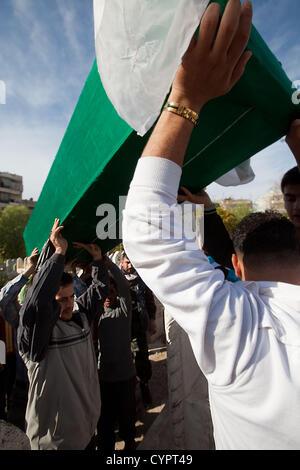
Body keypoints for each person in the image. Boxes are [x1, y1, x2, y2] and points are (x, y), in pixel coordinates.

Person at [123, 0, 300, 450]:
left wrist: (184, 98)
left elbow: (148, 231)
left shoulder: (247, 333)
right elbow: (152, 230)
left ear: (235, 268)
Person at [18, 219, 109, 450]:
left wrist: (98, 259)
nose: (69, 305)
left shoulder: (81, 319)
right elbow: (36, 304)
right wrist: (57, 252)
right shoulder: (38, 338)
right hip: (54, 444)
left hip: (87, 433)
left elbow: (98, 291)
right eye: (61, 300)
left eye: (71, 298)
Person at [91, 253, 136, 453]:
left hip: (125, 376)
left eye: (111, 291)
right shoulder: (97, 315)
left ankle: (130, 446)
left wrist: (109, 263)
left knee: (127, 419)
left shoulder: (123, 311)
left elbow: (125, 287)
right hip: (104, 378)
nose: (108, 296)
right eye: (105, 293)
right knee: (105, 422)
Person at [0, 248, 39, 429]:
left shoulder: (59, 315)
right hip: (23, 387)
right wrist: (28, 272)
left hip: (51, 388)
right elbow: (4, 300)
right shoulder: (20, 317)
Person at [120, 252, 156, 406]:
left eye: (132, 262)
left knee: (142, 359)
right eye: (127, 262)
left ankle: (144, 387)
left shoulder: (141, 279)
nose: (130, 265)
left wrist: (152, 320)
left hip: (138, 328)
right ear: (121, 263)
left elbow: (149, 299)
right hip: (122, 331)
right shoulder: (116, 279)